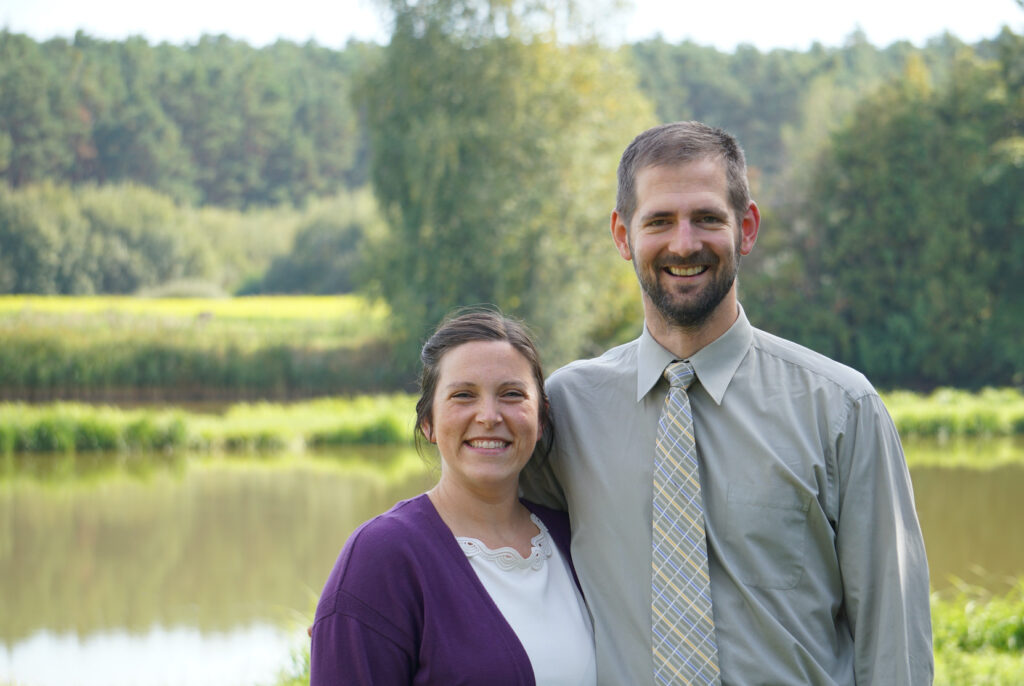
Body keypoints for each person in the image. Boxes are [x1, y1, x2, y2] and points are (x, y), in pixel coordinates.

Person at [520, 121, 933, 684]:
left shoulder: (842, 409)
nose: (684, 243)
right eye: (659, 220)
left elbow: (894, 639)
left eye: (708, 218)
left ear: (747, 227)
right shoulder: (566, 409)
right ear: (622, 235)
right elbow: (494, 546)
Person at [310, 308, 597, 685]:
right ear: (427, 421)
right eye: (464, 395)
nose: (489, 416)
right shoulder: (382, 557)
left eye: (512, 394)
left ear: (541, 418)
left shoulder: (573, 538)